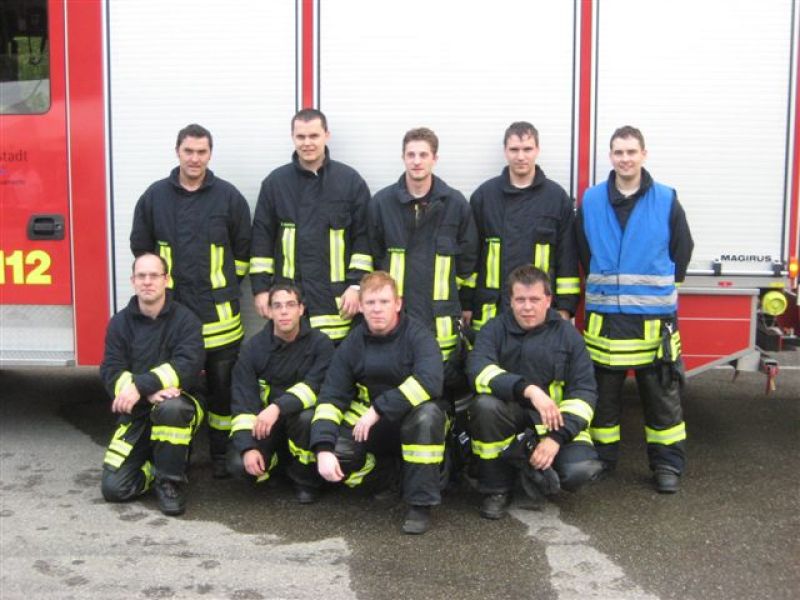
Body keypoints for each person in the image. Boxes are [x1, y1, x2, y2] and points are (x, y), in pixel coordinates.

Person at [130, 123, 252, 478]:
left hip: (221, 319)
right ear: (177, 152)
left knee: (222, 392)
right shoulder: (155, 197)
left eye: (201, 152)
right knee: (173, 390)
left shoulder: (228, 197)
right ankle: (175, 455)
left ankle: (221, 455)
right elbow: (142, 249)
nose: (195, 158)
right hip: (173, 317)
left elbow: (243, 251)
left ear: (210, 154)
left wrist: (223, 287)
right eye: (189, 151)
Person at [576, 125, 694, 493]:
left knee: (662, 400)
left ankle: (667, 466)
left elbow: (682, 248)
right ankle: (603, 459)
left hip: (653, 323)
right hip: (606, 322)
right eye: (618, 152)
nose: (625, 159)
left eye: (631, 152)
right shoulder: (592, 200)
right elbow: (582, 249)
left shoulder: (666, 199)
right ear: (610, 156)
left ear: (644, 154)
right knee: (603, 400)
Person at [310, 271, 447, 535]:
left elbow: (430, 382)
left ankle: (420, 504)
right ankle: (385, 476)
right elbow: (331, 396)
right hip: (371, 422)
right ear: (360, 307)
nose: (377, 309)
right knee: (339, 452)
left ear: (398, 303)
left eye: (384, 302)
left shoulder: (419, 336)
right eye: (370, 303)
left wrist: (379, 409)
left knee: (427, 417)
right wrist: (323, 447)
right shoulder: (353, 343)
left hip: (413, 418)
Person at [466, 266, 602, 519]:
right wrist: (528, 390)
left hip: (555, 422)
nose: (527, 307)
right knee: (484, 406)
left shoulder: (568, 336)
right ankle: (496, 489)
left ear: (548, 300)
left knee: (579, 471)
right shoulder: (494, 329)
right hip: (511, 418)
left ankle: (530, 465)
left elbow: (584, 393)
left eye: (535, 299)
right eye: (520, 300)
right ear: (510, 301)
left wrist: (556, 438)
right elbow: (478, 371)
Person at [368, 127, 478, 391]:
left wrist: (465, 304)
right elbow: (372, 256)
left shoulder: (455, 204)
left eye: (423, 155)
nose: (416, 161)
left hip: (441, 319)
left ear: (434, 159)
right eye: (411, 155)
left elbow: (469, 262)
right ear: (403, 157)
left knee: (442, 387)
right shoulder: (382, 204)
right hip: (396, 316)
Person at [250, 108, 372, 343]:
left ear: (327, 135)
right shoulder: (275, 184)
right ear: (292, 137)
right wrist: (261, 290)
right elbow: (261, 241)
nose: (307, 143)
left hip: (337, 306)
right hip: (291, 304)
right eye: (301, 137)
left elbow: (364, 238)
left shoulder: (349, 182)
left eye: (314, 136)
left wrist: (357, 286)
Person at [100, 253, 205, 516]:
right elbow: (111, 370)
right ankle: (157, 468)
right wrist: (145, 393)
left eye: (154, 275)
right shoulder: (119, 323)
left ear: (166, 280)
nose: (147, 281)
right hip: (138, 411)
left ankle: (169, 482)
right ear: (133, 281)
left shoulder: (186, 320)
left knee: (171, 408)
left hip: (180, 405)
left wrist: (138, 386)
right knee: (114, 489)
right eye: (141, 276)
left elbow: (187, 365)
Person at [468, 121, 580, 334]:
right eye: (514, 149)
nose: (521, 156)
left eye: (527, 149)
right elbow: (471, 256)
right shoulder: (484, 197)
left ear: (537, 150)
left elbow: (567, 258)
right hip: (492, 312)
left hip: (539, 314)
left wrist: (565, 307)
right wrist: (466, 303)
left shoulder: (556, 198)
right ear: (505, 151)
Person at [228, 283, 334, 503]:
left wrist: (277, 407)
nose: (284, 312)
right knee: (238, 466)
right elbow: (242, 401)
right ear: (269, 311)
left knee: (306, 418)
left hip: (299, 422)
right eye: (277, 306)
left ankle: (306, 481)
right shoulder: (253, 348)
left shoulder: (320, 343)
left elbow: (315, 386)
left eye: (290, 305)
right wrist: (247, 448)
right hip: (267, 426)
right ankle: (276, 464)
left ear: (301, 309)